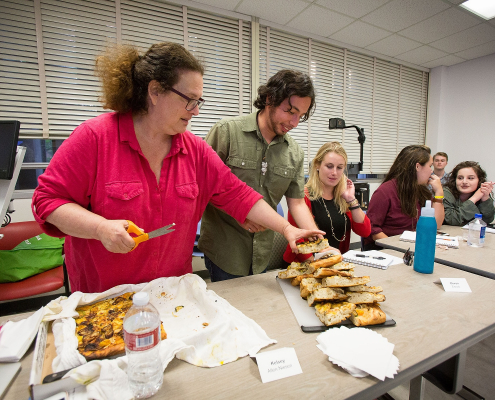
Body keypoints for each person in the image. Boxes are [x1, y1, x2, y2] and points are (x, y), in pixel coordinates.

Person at [31, 43, 324, 293]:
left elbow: (239, 195)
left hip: (173, 293)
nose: (196, 111)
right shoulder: (95, 138)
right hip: (105, 297)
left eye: (199, 101)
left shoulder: (194, 150)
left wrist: (287, 229)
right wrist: (100, 228)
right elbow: (47, 201)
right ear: (155, 91)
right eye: (189, 100)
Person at [198, 69, 323, 282]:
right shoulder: (227, 132)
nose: (294, 122)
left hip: (263, 252)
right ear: (270, 99)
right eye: (290, 111)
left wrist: (318, 243)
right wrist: (239, 211)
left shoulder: (295, 153)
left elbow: (297, 203)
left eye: (300, 116)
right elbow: (202, 186)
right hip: (225, 249)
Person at [282, 142, 371, 264]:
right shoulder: (302, 197)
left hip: (335, 262)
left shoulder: (342, 197)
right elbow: (298, 240)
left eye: (339, 168)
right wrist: (318, 265)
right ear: (317, 165)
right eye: (329, 166)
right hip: (305, 263)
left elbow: (364, 232)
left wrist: (351, 199)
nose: (334, 172)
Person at [364, 145, 445, 250]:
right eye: (430, 166)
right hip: (387, 249)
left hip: (412, 246)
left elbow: (436, 225)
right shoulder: (385, 191)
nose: (431, 171)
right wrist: (400, 249)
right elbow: (373, 230)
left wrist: (439, 193)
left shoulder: (421, 190)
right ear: (417, 167)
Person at [443, 161, 494, 226]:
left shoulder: (480, 192)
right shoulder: (446, 192)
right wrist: (474, 198)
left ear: (479, 180)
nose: (464, 182)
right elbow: (451, 220)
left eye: (470, 178)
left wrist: (485, 198)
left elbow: (487, 220)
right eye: (460, 178)